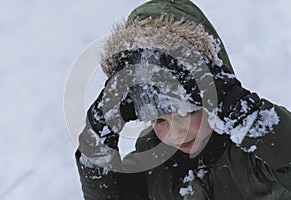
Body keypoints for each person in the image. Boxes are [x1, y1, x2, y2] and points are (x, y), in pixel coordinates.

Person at [75, 0, 291, 199]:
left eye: (187, 112)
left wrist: (240, 111)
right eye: (159, 120)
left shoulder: (257, 150)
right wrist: (96, 143)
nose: (176, 133)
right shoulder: (150, 161)